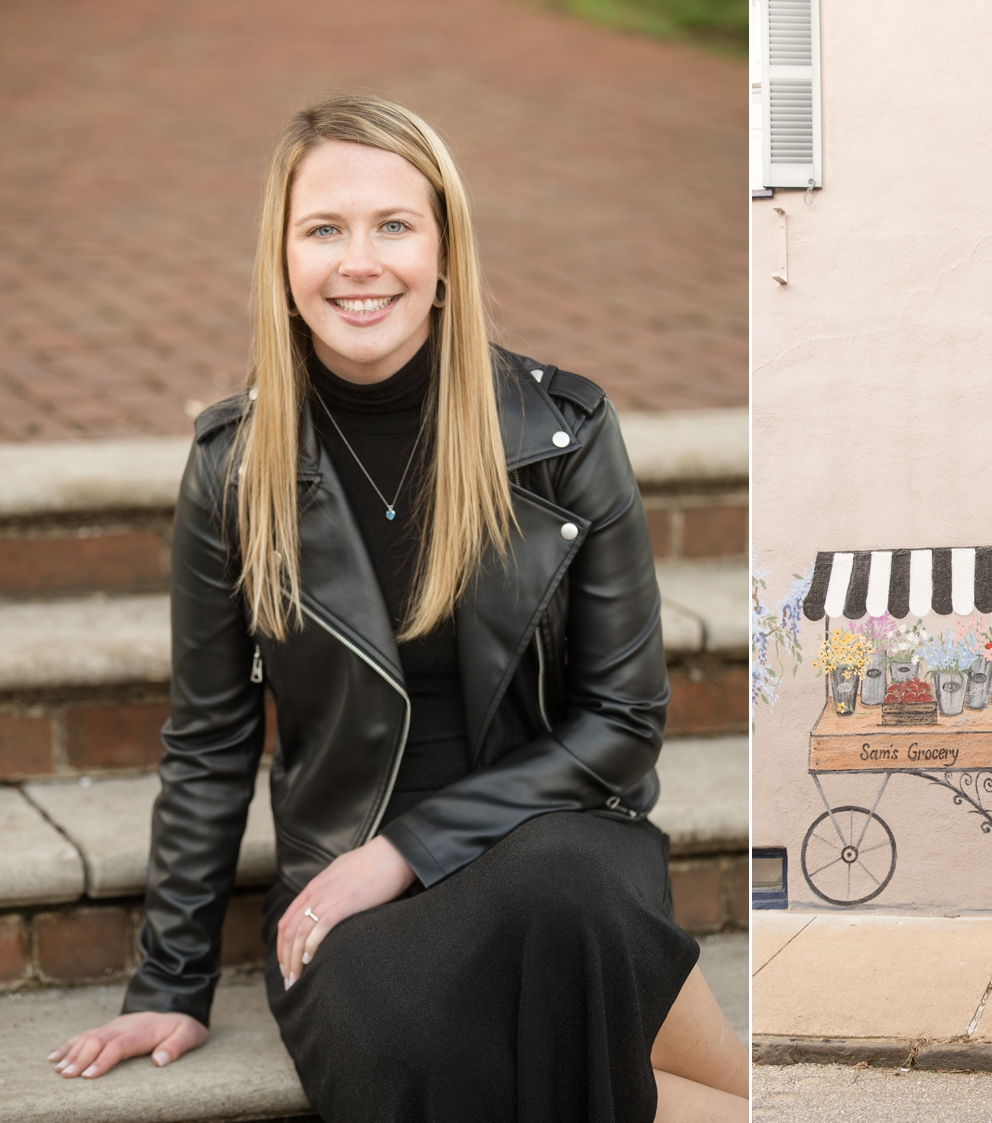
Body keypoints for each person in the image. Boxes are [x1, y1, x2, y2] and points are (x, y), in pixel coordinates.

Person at [45, 95, 748, 1123]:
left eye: (393, 225)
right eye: (324, 228)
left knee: (565, 893)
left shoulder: (560, 434)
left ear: (445, 252)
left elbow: (625, 723)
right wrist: (168, 982)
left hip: (554, 834)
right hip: (344, 876)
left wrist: (407, 850)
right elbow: (207, 740)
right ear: (282, 261)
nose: (359, 262)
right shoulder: (234, 469)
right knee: (403, 1041)